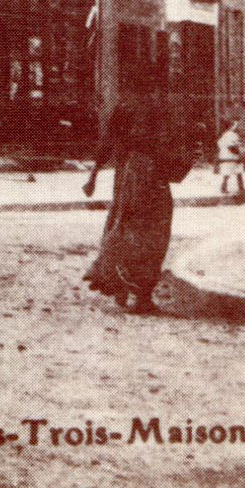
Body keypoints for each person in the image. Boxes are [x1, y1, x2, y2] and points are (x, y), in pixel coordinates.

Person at [81, 79, 189, 313]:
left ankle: (118, 281)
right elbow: (172, 145)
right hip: (152, 175)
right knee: (154, 231)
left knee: (125, 224)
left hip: (128, 174)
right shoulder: (160, 109)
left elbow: (107, 142)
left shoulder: (124, 106)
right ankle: (141, 295)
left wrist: (94, 175)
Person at [216, 120, 245, 196]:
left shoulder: (224, 134)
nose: (236, 127)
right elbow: (231, 147)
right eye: (235, 125)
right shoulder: (231, 135)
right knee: (236, 171)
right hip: (230, 155)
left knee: (231, 172)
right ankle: (238, 187)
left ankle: (228, 187)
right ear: (231, 126)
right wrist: (239, 154)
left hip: (225, 155)